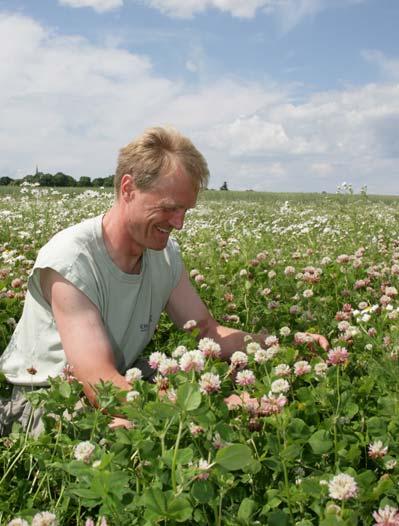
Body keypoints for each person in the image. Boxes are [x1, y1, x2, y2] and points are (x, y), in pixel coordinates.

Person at [0, 126, 329, 435]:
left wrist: (279, 344)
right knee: (148, 432)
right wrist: (208, 410)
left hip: (118, 378)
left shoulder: (163, 252)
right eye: (170, 208)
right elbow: (99, 383)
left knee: (201, 386)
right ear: (128, 189)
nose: (179, 223)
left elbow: (206, 330)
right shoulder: (72, 259)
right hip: (47, 400)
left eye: (186, 210)